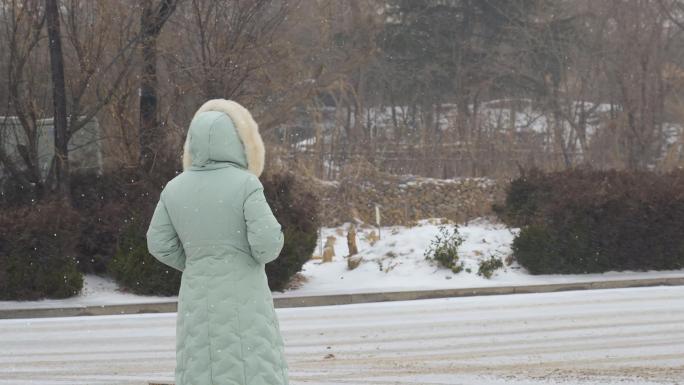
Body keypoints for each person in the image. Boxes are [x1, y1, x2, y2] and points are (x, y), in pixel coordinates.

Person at [146, 99, 288, 385]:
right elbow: (267, 245)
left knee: (200, 362)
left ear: (193, 143)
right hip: (245, 292)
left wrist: (196, 260)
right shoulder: (246, 184)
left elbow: (157, 242)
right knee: (252, 364)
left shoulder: (174, 188)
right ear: (237, 141)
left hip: (196, 294)